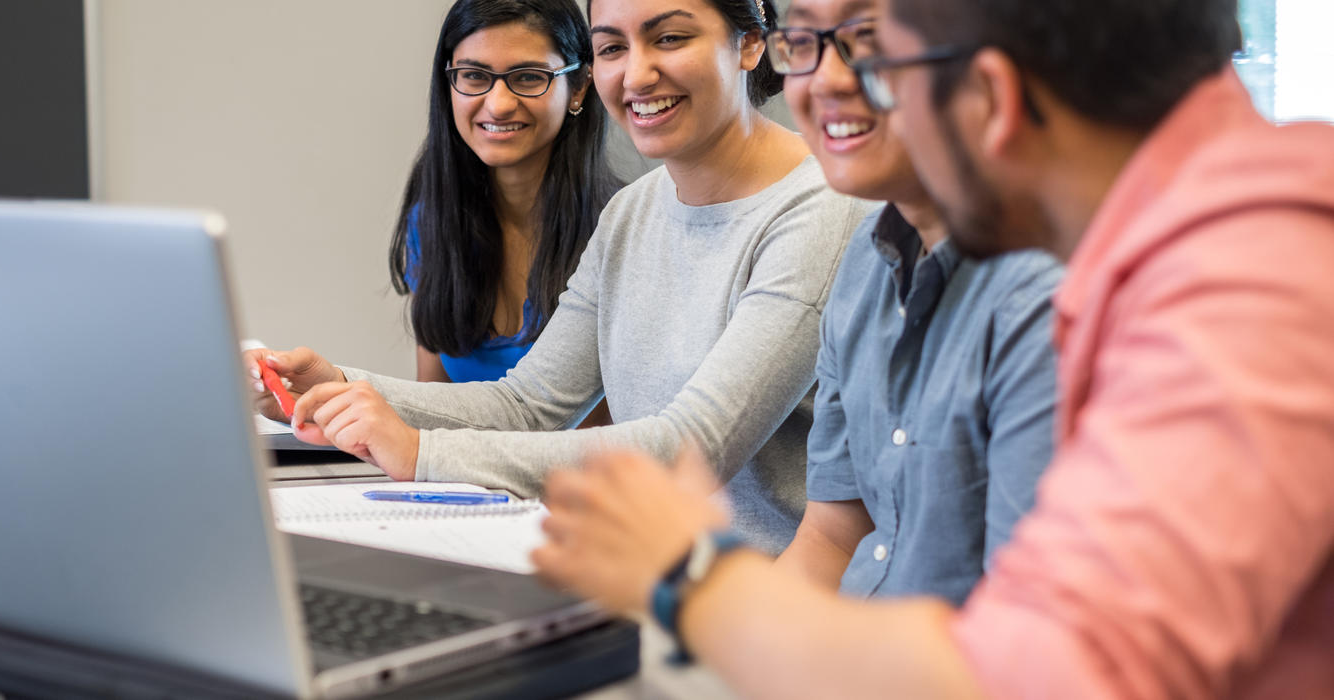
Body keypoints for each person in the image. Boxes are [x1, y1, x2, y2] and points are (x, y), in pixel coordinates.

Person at [532, 0, 1334, 696]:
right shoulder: (1180, 240)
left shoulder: (1254, 276)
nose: (840, 93)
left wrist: (691, 575)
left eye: (888, 67)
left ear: (991, 98)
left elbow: (1047, 677)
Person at [250, 0, 871, 551]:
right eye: (611, 48)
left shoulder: (819, 208)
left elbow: (694, 447)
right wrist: (330, 388)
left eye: (671, 38)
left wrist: (424, 454)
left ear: (750, 41)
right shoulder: (635, 211)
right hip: (644, 578)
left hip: (769, 603)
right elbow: (529, 405)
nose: (637, 73)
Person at [758, 2, 1061, 608]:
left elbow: (1022, 633)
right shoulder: (866, 263)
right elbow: (831, 536)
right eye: (800, 40)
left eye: (867, 39)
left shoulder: (1043, 293)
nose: (828, 79)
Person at [389, 0, 619, 396]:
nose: (497, 104)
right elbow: (432, 409)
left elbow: (601, 435)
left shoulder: (620, 233)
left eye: (528, 77)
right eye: (474, 76)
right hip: (463, 458)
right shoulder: (431, 221)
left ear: (579, 86)